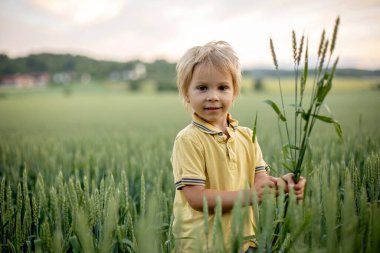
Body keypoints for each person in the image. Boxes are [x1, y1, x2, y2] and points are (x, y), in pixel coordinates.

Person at [171, 41, 306, 252]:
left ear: (234, 92)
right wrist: (249, 196)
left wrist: (283, 185)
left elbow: (260, 184)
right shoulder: (189, 139)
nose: (213, 96)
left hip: (244, 241)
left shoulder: (247, 136)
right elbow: (196, 198)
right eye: (202, 88)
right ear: (186, 94)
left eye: (223, 87)